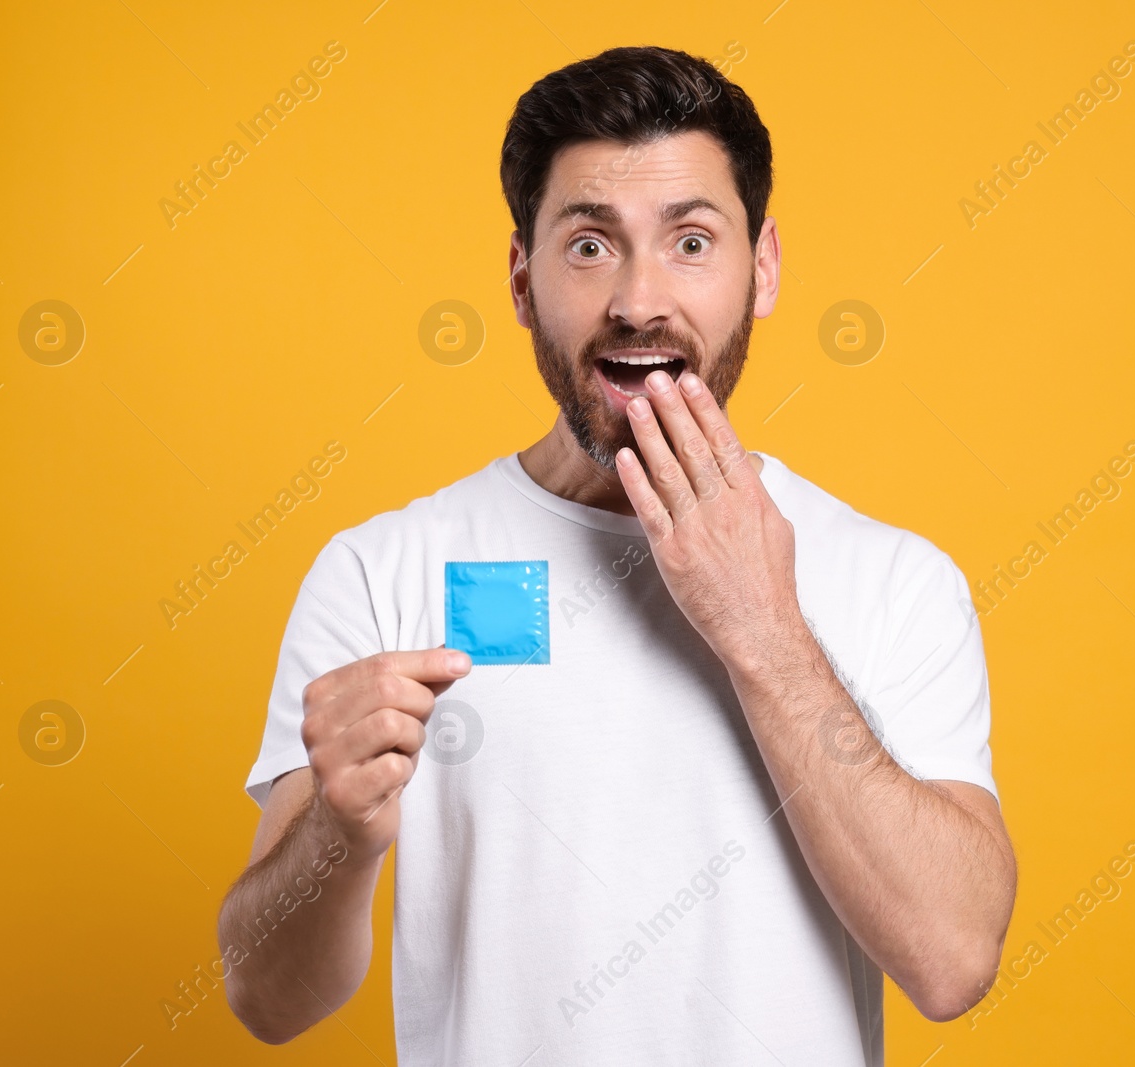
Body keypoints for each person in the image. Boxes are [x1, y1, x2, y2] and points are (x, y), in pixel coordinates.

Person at [220, 44, 1016, 1065]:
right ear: (521, 278)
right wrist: (336, 830)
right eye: (590, 245)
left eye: (690, 240)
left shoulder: (894, 580)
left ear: (761, 267)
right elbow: (264, 996)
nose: (640, 300)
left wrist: (761, 626)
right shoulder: (385, 570)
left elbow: (952, 960)